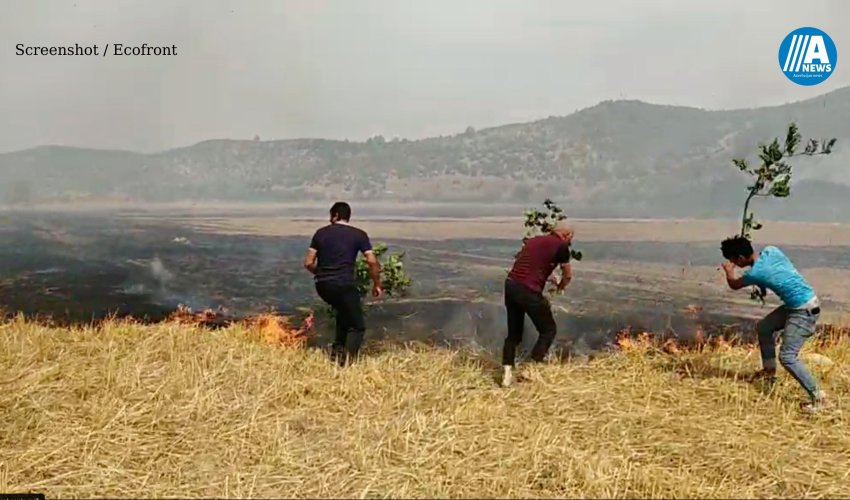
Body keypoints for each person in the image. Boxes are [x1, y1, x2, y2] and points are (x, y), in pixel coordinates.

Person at [720, 235, 828, 413]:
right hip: (802, 302)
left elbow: (734, 285)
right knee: (764, 327)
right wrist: (762, 286)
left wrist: (728, 271)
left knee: (788, 357)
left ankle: (819, 398)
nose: (732, 263)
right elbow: (777, 273)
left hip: (803, 311)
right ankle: (769, 372)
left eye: (732, 260)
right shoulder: (772, 250)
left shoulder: (754, 273)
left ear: (739, 259)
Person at [304, 202, 382, 366]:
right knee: (357, 326)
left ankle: (336, 355)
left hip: (323, 286)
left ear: (335, 215)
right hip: (344, 284)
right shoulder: (359, 234)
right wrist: (376, 283)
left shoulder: (320, 233)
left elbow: (308, 263)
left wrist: (322, 274)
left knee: (343, 314)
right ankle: (348, 364)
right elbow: (372, 262)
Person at [501, 221, 574, 387]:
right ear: (566, 235)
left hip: (511, 285)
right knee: (548, 330)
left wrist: (548, 276)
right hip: (528, 290)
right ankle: (531, 368)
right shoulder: (562, 246)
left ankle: (506, 374)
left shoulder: (533, 241)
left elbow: (530, 264)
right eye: (571, 238)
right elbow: (568, 275)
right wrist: (560, 286)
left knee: (514, 335)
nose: (570, 242)